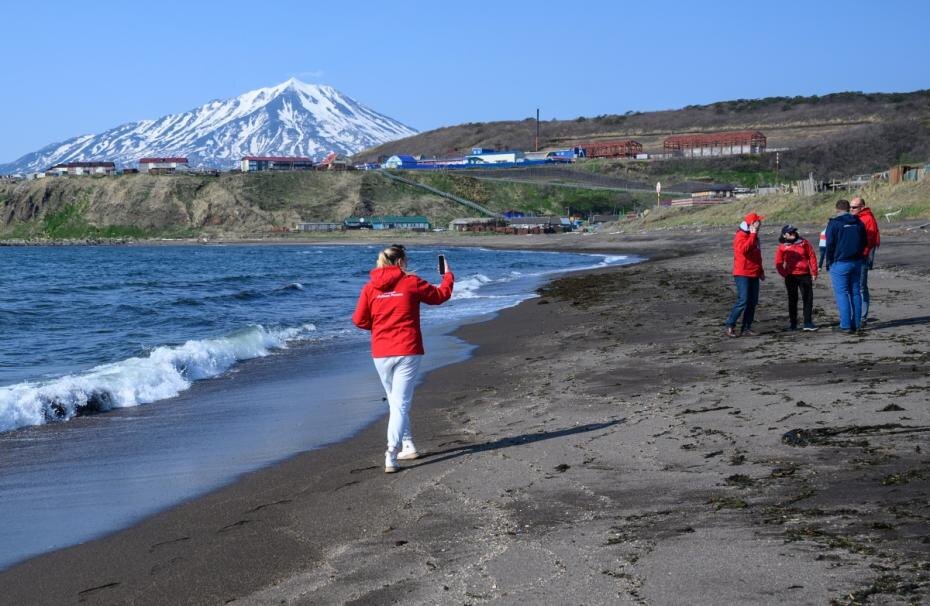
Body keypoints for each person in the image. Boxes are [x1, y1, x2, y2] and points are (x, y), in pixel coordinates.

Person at [352, 244, 454, 473]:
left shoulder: (370, 288)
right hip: (407, 349)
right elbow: (441, 295)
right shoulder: (411, 282)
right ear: (400, 263)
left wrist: (379, 326)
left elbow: (359, 320)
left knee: (396, 402)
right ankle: (391, 453)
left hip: (381, 351)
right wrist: (448, 275)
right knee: (400, 403)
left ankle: (408, 445)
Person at [824, 199, 867, 334]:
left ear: (837, 209)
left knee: (842, 293)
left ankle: (846, 325)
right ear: (849, 209)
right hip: (856, 261)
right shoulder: (858, 222)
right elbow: (864, 241)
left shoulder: (834, 223)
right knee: (855, 292)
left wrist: (829, 261)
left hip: (840, 262)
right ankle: (857, 323)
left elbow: (829, 244)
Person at [725, 212, 765, 338]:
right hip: (742, 272)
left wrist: (761, 271)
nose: (761, 223)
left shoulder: (755, 236)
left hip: (754, 272)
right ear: (752, 224)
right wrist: (753, 234)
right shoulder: (740, 235)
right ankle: (730, 325)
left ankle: (746, 327)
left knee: (752, 301)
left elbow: (757, 255)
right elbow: (744, 250)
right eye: (758, 221)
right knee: (743, 300)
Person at [774, 225, 819, 331]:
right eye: (790, 232)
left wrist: (814, 272)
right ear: (785, 235)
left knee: (808, 298)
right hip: (791, 276)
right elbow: (778, 262)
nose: (793, 234)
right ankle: (793, 324)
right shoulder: (782, 246)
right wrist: (784, 274)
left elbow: (811, 256)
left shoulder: (804, 242)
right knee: (792, 299)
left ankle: (807, 322)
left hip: (805, 275)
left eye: (794, 232)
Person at [850, 196, 880, 322]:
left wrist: (863, 254)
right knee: (854, 286)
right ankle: (856, 314)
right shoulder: (855, 218)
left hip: (863, 256)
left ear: (862, 207)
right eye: (850, 207)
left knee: (861, 286)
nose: (851, 209)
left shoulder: (867, 218)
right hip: (853, 256)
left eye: (854, 207)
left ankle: (862, 316)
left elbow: (871, 239)